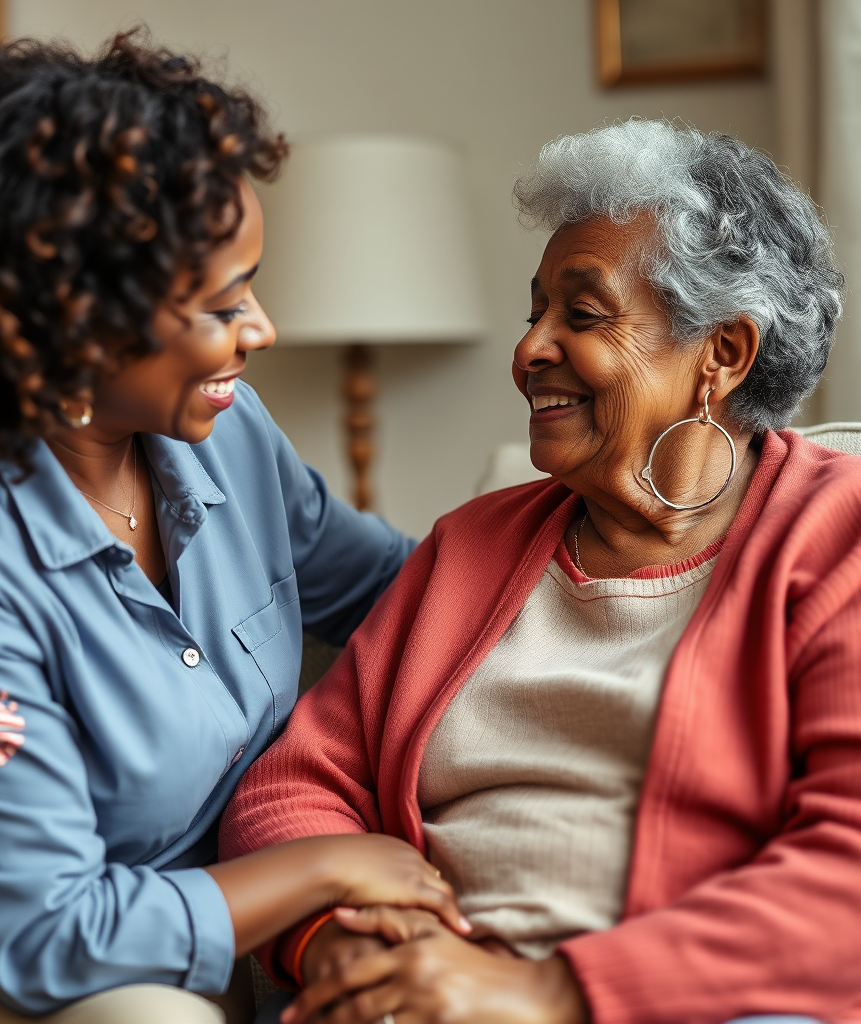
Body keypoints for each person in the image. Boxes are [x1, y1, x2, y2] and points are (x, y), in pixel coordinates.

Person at [0, 34, 470, 1024]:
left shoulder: (226, 436)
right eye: (222, 304)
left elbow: (395, 591)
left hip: (237, 922)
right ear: (79, 322)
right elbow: (45, 937)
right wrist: (328, 865)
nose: (260, 328)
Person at [220, 120, 861, 1024]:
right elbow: (295, 784)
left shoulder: (838, 536)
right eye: (535, 313)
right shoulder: (470, 548)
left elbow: (848, 875)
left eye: (583, 315)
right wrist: (345, 942)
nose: (529, 351)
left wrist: (544, 993)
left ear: (722, 354)